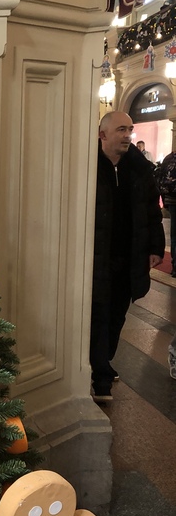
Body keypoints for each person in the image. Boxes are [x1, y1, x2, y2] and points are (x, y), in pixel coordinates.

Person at [91, 112, 165, 402]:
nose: (127, 135)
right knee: (98, 313)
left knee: (117, 313)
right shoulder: (90, 166)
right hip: (98, 255)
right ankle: (100, 376)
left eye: (130, 129)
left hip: (128, 255)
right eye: (121, 129)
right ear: (103, 135)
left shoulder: (138, 168)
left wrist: (155, 248)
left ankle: (103, 361)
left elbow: (152, 211)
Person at [154, 149, 176, 277]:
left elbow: (161, 181)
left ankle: (175, 266)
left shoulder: (168, 158)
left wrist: (165, 200)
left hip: (172, 201)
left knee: (174, 235)